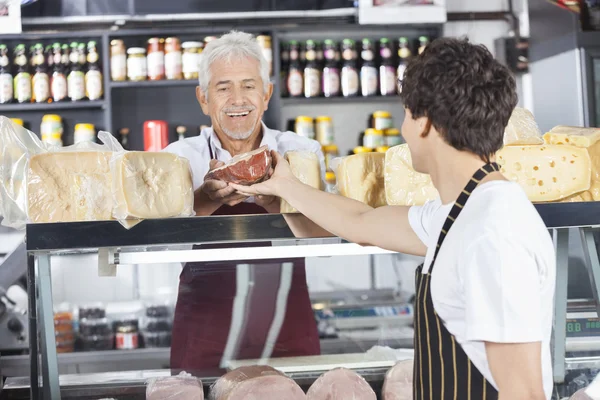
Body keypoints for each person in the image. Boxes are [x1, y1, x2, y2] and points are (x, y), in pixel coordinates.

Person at [233, 38, 555, 400]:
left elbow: (524, 393)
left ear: (425, 123)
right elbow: (362, 222)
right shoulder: (461, 213)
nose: (402, 130)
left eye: (405, 114)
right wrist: (287, 187)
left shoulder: (492, 234)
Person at [163, 31, 325, 372]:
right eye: (223, 88)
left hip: (288, 326)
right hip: (205, 332)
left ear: (266, 94)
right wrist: (202, 202)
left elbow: (324, 233)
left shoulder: (301, 153)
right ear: (203, 99)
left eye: (249, 86)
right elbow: (156, 242)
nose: (238, 99)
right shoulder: (177, 159)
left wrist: (276, 203)